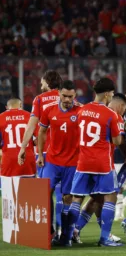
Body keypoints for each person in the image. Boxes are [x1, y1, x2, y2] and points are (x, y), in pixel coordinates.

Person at [67, 77, 123, 247]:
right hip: (102, 163)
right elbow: (117, 141)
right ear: (106, 94)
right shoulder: (110, 114)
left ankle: (68, 236)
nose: (112, 96)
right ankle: (105, 238)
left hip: (83, 162)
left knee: (77, 199)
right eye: (112, 93)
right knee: (110, 198)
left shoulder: (82, 111)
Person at [18, 70, 63, 239]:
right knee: (64, 194)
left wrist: (23, 147)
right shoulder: (66, 97)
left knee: (46, 192)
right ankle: (65, 232)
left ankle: (49, 232)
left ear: (47, 82)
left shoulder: (39, 99)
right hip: (66, 152)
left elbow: (31, 126)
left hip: (45, 153)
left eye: (42, 81)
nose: (41, 84)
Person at [37, 80, 82, 246]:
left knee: (67, 198)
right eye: (64, 95)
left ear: (75, 95)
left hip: (72, 163)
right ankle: (48, 232)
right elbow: (41, 132)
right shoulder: (49, 110)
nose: (67, 99)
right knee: (43, 194)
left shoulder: (81, 111)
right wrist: (40, 155)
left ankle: (66, 237)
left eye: (70, 96)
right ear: (58, 94)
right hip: (52, 161)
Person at [0, 98, 36, 177]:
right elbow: (39, 137)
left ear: (7, 107)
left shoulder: (1, 117)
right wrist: (31, 143)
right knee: (29, 189)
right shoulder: (30, 116)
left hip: (8, 161)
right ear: (20, 105)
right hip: (27, 160)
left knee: (9, 189)